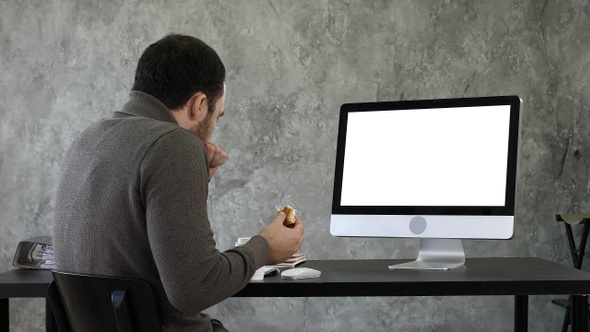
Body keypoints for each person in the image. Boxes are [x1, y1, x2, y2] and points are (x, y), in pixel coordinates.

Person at [52, 34, 305, 332]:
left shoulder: (87, 139)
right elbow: (195, 289)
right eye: (217, 116)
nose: (212, 129)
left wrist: (197, 177)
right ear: (199, 104)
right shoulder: (175, 145)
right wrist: (265, 246)